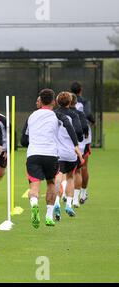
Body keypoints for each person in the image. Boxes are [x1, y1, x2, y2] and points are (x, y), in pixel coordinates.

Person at [21, 88, 82, 229]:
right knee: (51, 183)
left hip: (34, 155)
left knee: (34, 187)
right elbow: (68, 125)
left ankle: (34, 205)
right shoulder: (57, 115)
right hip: (51, 155)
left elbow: (23, 141)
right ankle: (48, 215)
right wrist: (76, 146)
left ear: (40, 101)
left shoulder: (31, 116)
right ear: (54, 102)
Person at [53, 91, 84, 220]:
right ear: (70, 102)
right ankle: (69, 204)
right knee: (70, 177)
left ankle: (55, 202)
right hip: (71, 152)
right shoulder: (73, 114)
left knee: (58, 176)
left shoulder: (53, 114)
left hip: (57, 152)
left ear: (57, 101)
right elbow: (78, 131)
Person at [70, 81, 94, 204]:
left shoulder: (67, 102)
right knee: (83, 166)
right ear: (80, 90)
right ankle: (82, 194)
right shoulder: (84, 102)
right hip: (84, 137)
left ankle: (68, 195)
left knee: (67, 168)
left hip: (69, 136)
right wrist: (93, 121)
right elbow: (88, 114)